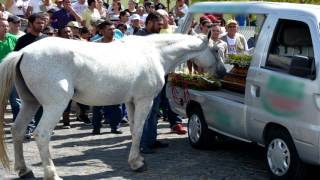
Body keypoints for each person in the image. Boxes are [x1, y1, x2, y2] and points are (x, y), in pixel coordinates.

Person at [136, 12, 169, 154]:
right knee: (145, 114)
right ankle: (142, 144)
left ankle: (151, 140)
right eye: (158, 25)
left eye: (162, 25)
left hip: (155, 80)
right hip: (142, 82)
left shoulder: (156, 37)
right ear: (149, 22)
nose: (160, 28)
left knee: (154, 112)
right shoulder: (139, 37)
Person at [14, 13, 47, 139]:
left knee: (43, 104)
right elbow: (16, 59)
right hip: (27, 78)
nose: (41, 24)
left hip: (45, 78)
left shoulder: (46, 39)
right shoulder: (23, 40)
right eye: (38, 22)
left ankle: (39, 128)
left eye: (43, 22)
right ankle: (28, 127)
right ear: (31, 24)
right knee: (27, 104)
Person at [91, 20, 123, 135]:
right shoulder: (95, 45)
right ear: (102, 31)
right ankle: (96, 127)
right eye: (110, 29)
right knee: (97, 104)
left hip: (116, 78)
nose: (113, 31)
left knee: (116, 103)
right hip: (99, 78)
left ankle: (115, 126)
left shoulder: (120, 44)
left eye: (114, 29)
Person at [0, 18, 20, 122]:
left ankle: (17, 123)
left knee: (15, 101)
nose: (6, 28)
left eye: (7, 26)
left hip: (12, 74)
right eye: (3, 26)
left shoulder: (14, 39)